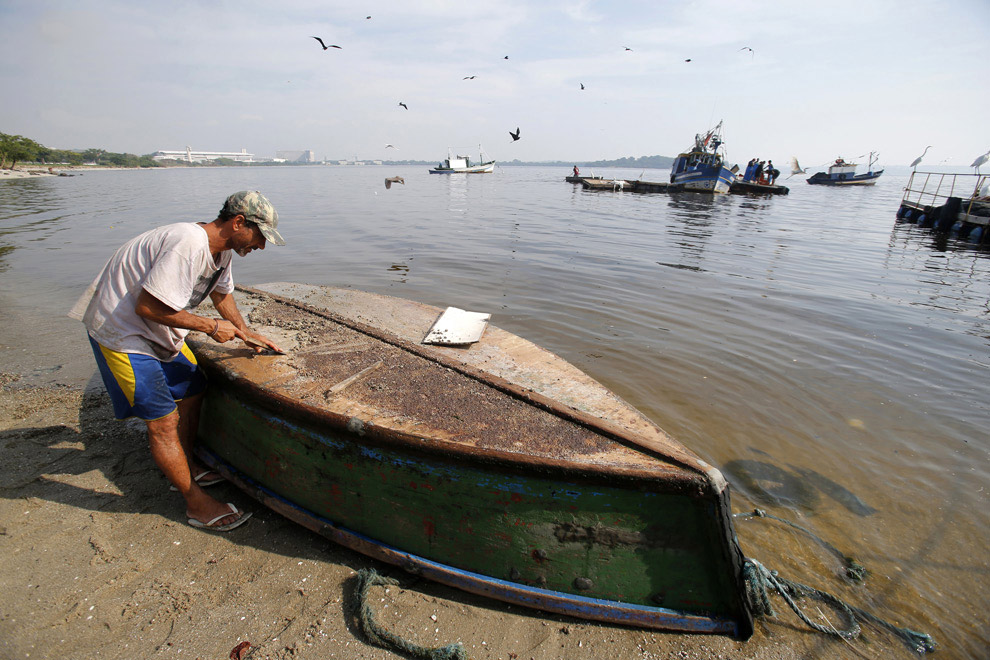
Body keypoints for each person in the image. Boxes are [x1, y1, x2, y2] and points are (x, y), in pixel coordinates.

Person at [71, 190, 285, 532]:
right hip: (122, 330)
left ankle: (185, 463)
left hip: (156, 328)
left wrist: (246, 333)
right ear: (238, 222)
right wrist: (212, 327)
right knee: (162, 422)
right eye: (259, 236)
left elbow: (221, 293)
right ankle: (194, 502)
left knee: (194, 387)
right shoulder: (188, 243)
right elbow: (148, 307)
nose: (260, 246)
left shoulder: (223, 250)